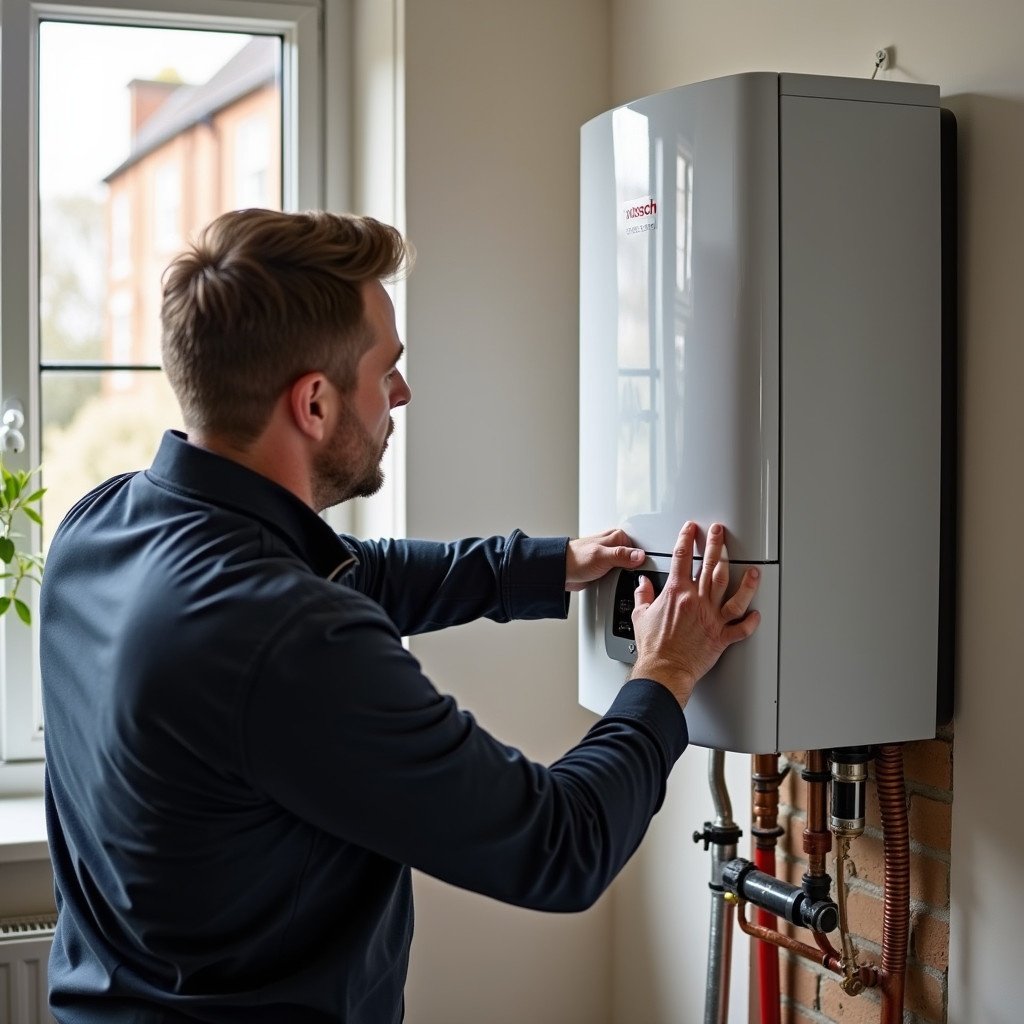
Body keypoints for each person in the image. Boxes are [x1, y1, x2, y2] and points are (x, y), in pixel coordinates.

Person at [40, 208, 760, 1024]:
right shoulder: (290, 639)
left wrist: (552, 565)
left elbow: (353, 570)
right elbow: (561, 847)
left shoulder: (100, 524)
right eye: (387, 370)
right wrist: (664, 675)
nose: (402, 393)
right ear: (312, 403)